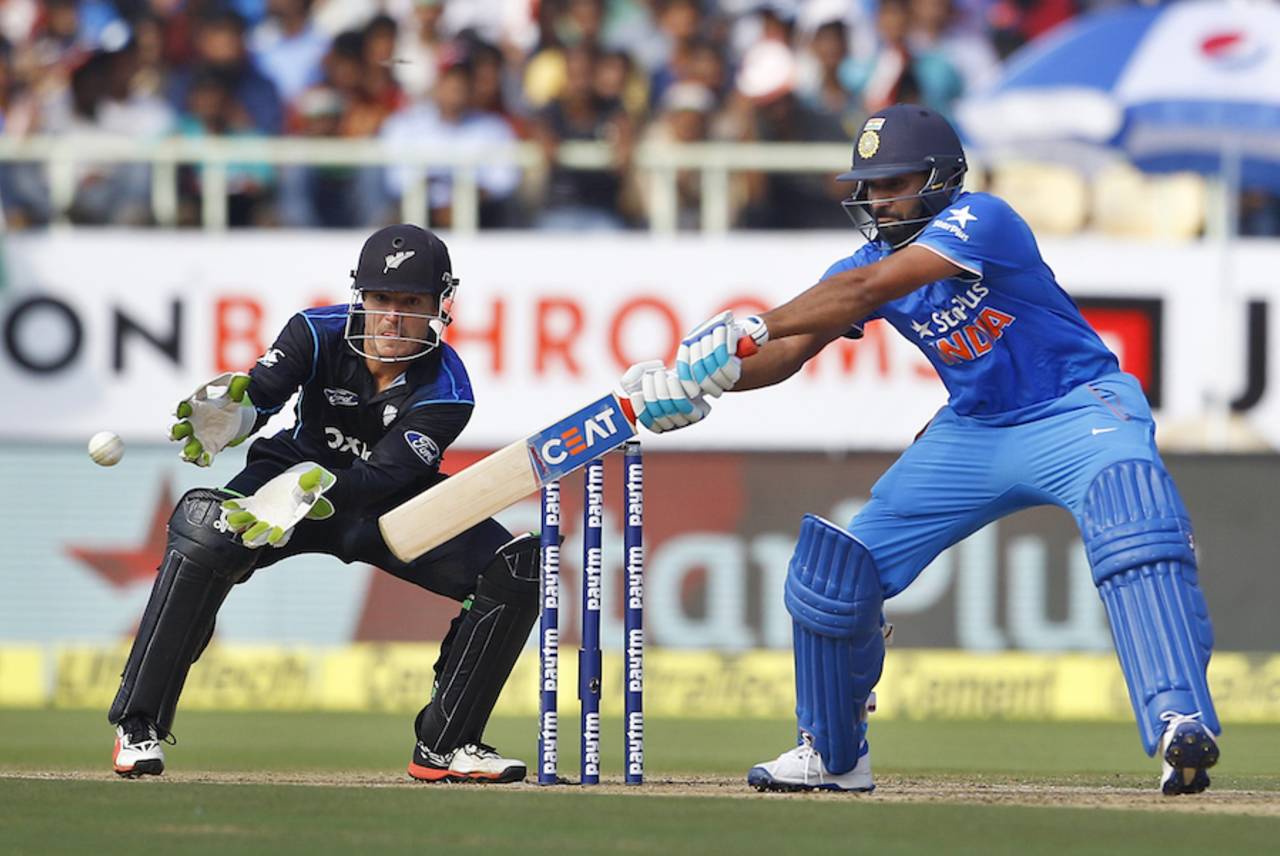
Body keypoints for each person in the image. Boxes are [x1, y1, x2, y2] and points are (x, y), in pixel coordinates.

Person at [619, 104, 1222, 796]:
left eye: (893, 184)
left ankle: (1179, 720)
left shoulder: (981, 220)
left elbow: (865, 292)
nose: (877, 200)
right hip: (975, 429)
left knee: (1133, 521)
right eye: (870, 188)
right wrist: (702, 380)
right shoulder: (869, 257)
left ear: (938, 180)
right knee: (833, 574)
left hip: (1077, 407)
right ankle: (833, 757)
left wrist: (751, 325)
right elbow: (787, 353)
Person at [110, 224, 536, 785]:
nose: (393, 318)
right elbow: (260, 397)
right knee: (204, 529)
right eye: (382, 300)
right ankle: (137, 725)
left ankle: (447, 745)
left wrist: (316, 488)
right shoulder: (316, 331)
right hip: (282, 478)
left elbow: (383, 475)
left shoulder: (448, 390)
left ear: (440, 307)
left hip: (384, 505)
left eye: (411, 303)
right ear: (362, 297)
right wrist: (235, 417)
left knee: (518, 570)